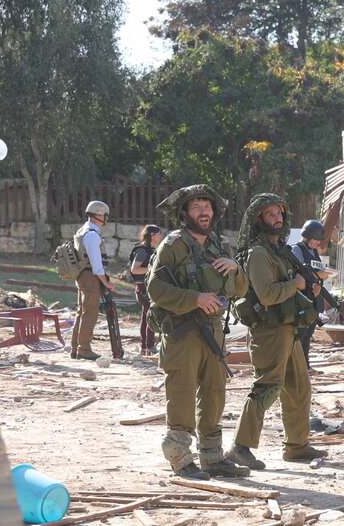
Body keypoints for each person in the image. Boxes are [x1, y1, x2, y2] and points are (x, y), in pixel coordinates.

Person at [145, 185, 251, 480]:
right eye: (196, 206)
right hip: (183, 331)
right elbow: (154, 288)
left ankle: (212, 458)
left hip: (214, 330)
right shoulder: (172, 244)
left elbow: (240, 289)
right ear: (184, 213)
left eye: (207, 206)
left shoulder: (221, 245)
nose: (203, 211)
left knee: (214, 393)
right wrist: (196, 299)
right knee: (181, 395)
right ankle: (180, 459)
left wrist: (236, 268)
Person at [226, 194, 325, 470]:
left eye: (279, 213)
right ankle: (240, 447)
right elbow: (268, 295)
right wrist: (296, 285)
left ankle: (297, 446)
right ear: (259, 219)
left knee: (299, 387)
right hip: (269, 330)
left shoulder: (278, 249)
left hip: (288, 328)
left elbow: (291, 285)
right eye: (270, 214)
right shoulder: (258, 253)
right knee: (268, 386)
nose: (277, 218)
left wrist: (308, 289)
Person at [71, 201, 114, 360]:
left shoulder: (83, 230)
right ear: (99, 215)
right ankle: (84, 350)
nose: (106, 218)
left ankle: (76, 349)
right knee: (90, 313)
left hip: (82, 276)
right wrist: (106, 282)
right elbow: (97, 265)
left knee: (81, 312)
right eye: (104, 215)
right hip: (90, 278)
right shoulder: (92, 234)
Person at [292, 219, 330, 369]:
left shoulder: (314, 252)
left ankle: (305, 366)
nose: (317, 243)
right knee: (300, 334)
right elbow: (297, 273)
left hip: (314, 297)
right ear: (307, 236)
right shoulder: (296, 250)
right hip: (303, 299)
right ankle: (298, 367)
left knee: (308, 334)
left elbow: (315, 272)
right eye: (315, 239)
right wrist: (317, 276)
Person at [130, 225, 163, 355]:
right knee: (150, 317)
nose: (161, 237)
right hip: (143, 288)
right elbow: (134, 269)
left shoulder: (149, 250)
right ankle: (148, 347)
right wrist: (154, 269)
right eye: (159, 234)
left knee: (147, 317)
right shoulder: (143, 250)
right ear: (152, 235)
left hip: (147, 287)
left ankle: (146, 347)